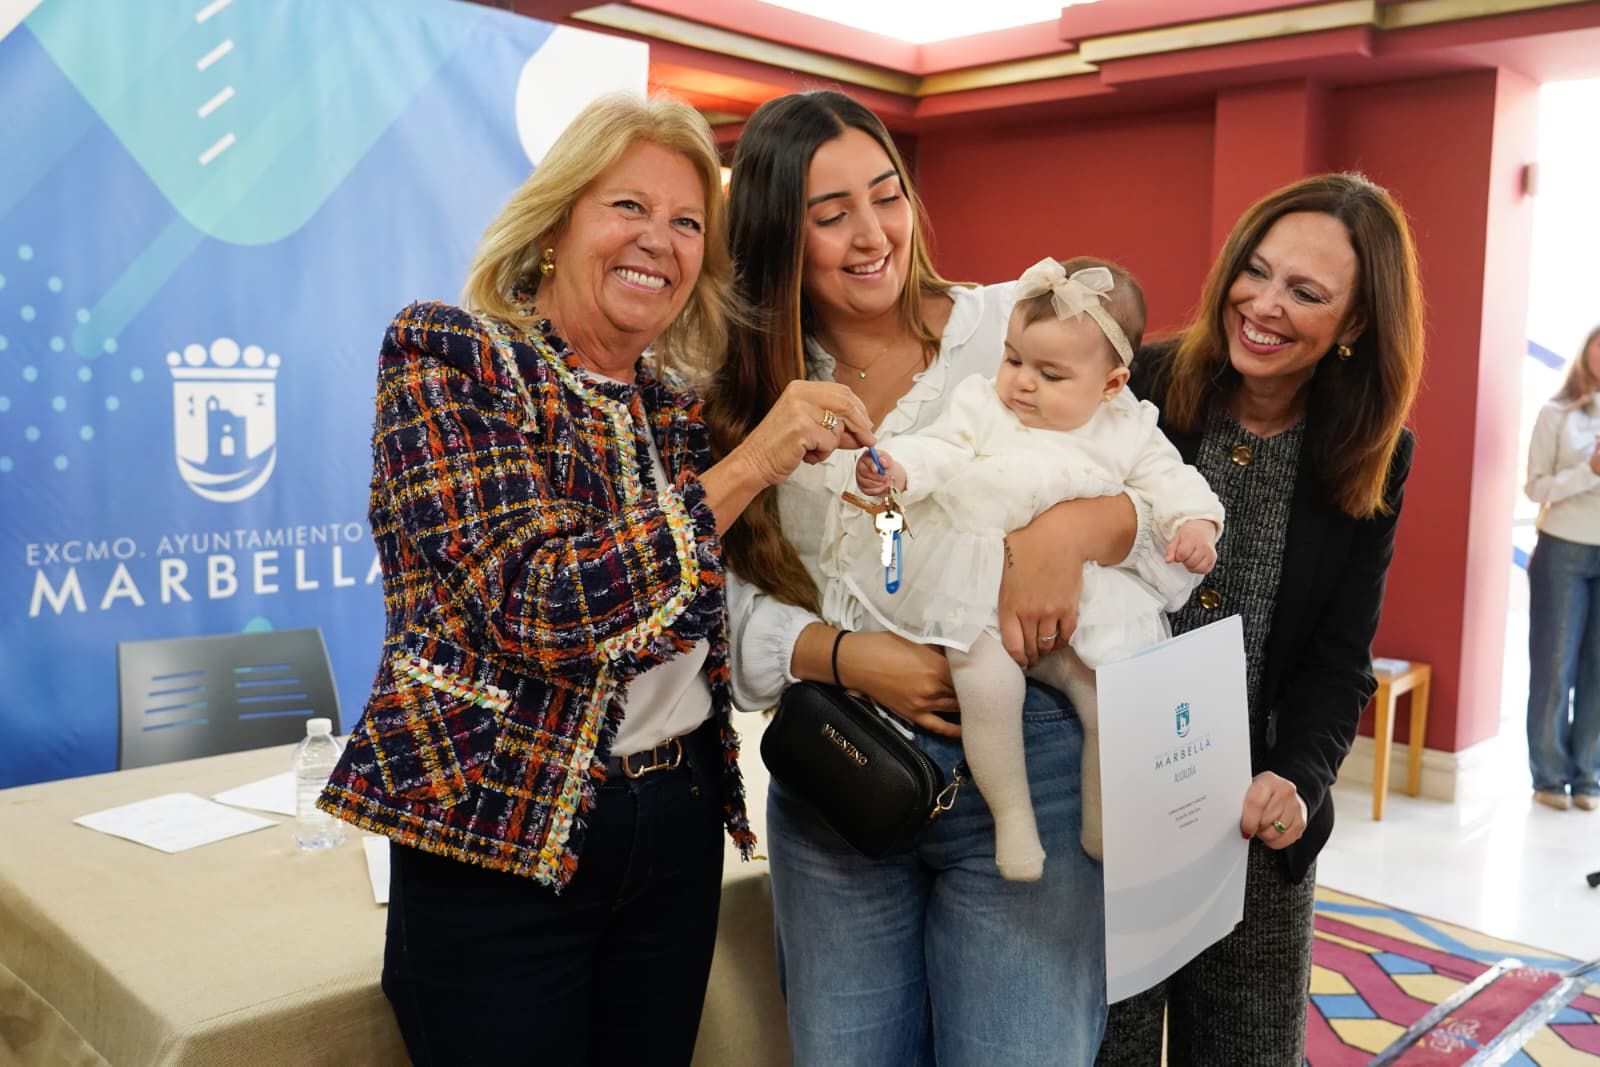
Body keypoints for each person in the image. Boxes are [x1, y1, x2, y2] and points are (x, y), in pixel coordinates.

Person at [316, 92, 875, 1066]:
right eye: (629, 206)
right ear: (558, 218)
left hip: (677, 821)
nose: (659, 238)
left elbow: (716, 596)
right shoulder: (451, 356)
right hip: (498, 823)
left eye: (687, 221)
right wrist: (748, 467)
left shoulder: (672, 408)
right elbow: (535, 601)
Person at [706, 89, 1169, 1066]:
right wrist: (842, 652)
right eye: (830, 216)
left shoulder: (1014, 322)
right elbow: (705, 585)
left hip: (1036, 758)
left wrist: (1083, 527)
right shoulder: (742, 382)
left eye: (886, 195)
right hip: (842, 760)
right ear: (777, 234)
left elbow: (1159, 484)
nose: (872, 234)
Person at [1095, 172, 1425, 1065]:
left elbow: (1337, 659)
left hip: (1254, 824)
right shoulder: (1140, 384)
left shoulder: (1372, 454)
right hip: (1106, 810)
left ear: (1355, 325)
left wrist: (1300, 778)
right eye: (1256, 270)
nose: (1263, 305)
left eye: (1306, 292)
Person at [849, 255, 1224, 877]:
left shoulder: (1128, 426)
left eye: (1050, 374)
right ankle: (1014, 821)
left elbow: (1173, 481)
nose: (1021, 383)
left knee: (1106, 693)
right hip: (980, 592)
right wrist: (897, 466)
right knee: (985, 685)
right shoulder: (983, 406)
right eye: (1013, 358)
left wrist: (1194, 526)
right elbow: (940, 448)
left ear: (1110, 385)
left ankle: (1104, 817)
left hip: (1080, 605)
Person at [1524, 325, 1600, 812]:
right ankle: (1550, 775)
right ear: (1586, 351)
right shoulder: (1556, 414)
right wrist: (1589, 472)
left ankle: (1587, 776)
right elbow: (1535, 488)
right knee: (1554, 668)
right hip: (1563, 550)